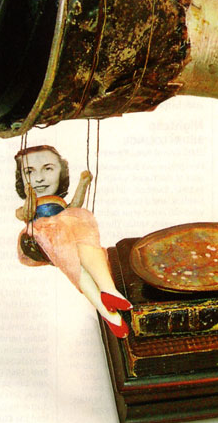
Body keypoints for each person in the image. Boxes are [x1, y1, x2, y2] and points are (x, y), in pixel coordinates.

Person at [14, 145, 132, 338]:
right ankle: (107, 306)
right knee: (77, 265)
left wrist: (83, 183)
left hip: (70, 231)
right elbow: (26, 214)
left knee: (87, 248)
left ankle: (109, 296)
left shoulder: (59, 202)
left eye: (48, 169)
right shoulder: (27, 206)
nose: (39, 178)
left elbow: (74, 206)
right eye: (29, 172)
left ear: (62, 172)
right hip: (45, 237)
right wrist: (30, 197)